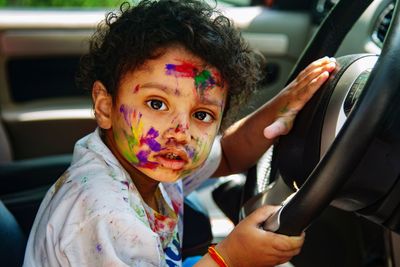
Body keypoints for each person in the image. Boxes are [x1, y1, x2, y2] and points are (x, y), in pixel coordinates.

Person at [23, 1, 336, 266]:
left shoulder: (151, 163)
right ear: (105, 107)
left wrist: (283, 105)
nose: (181, 132)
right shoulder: (104, 217)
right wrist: (229, 258)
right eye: (157, 104)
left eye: (202, 115)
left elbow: (228, 154)